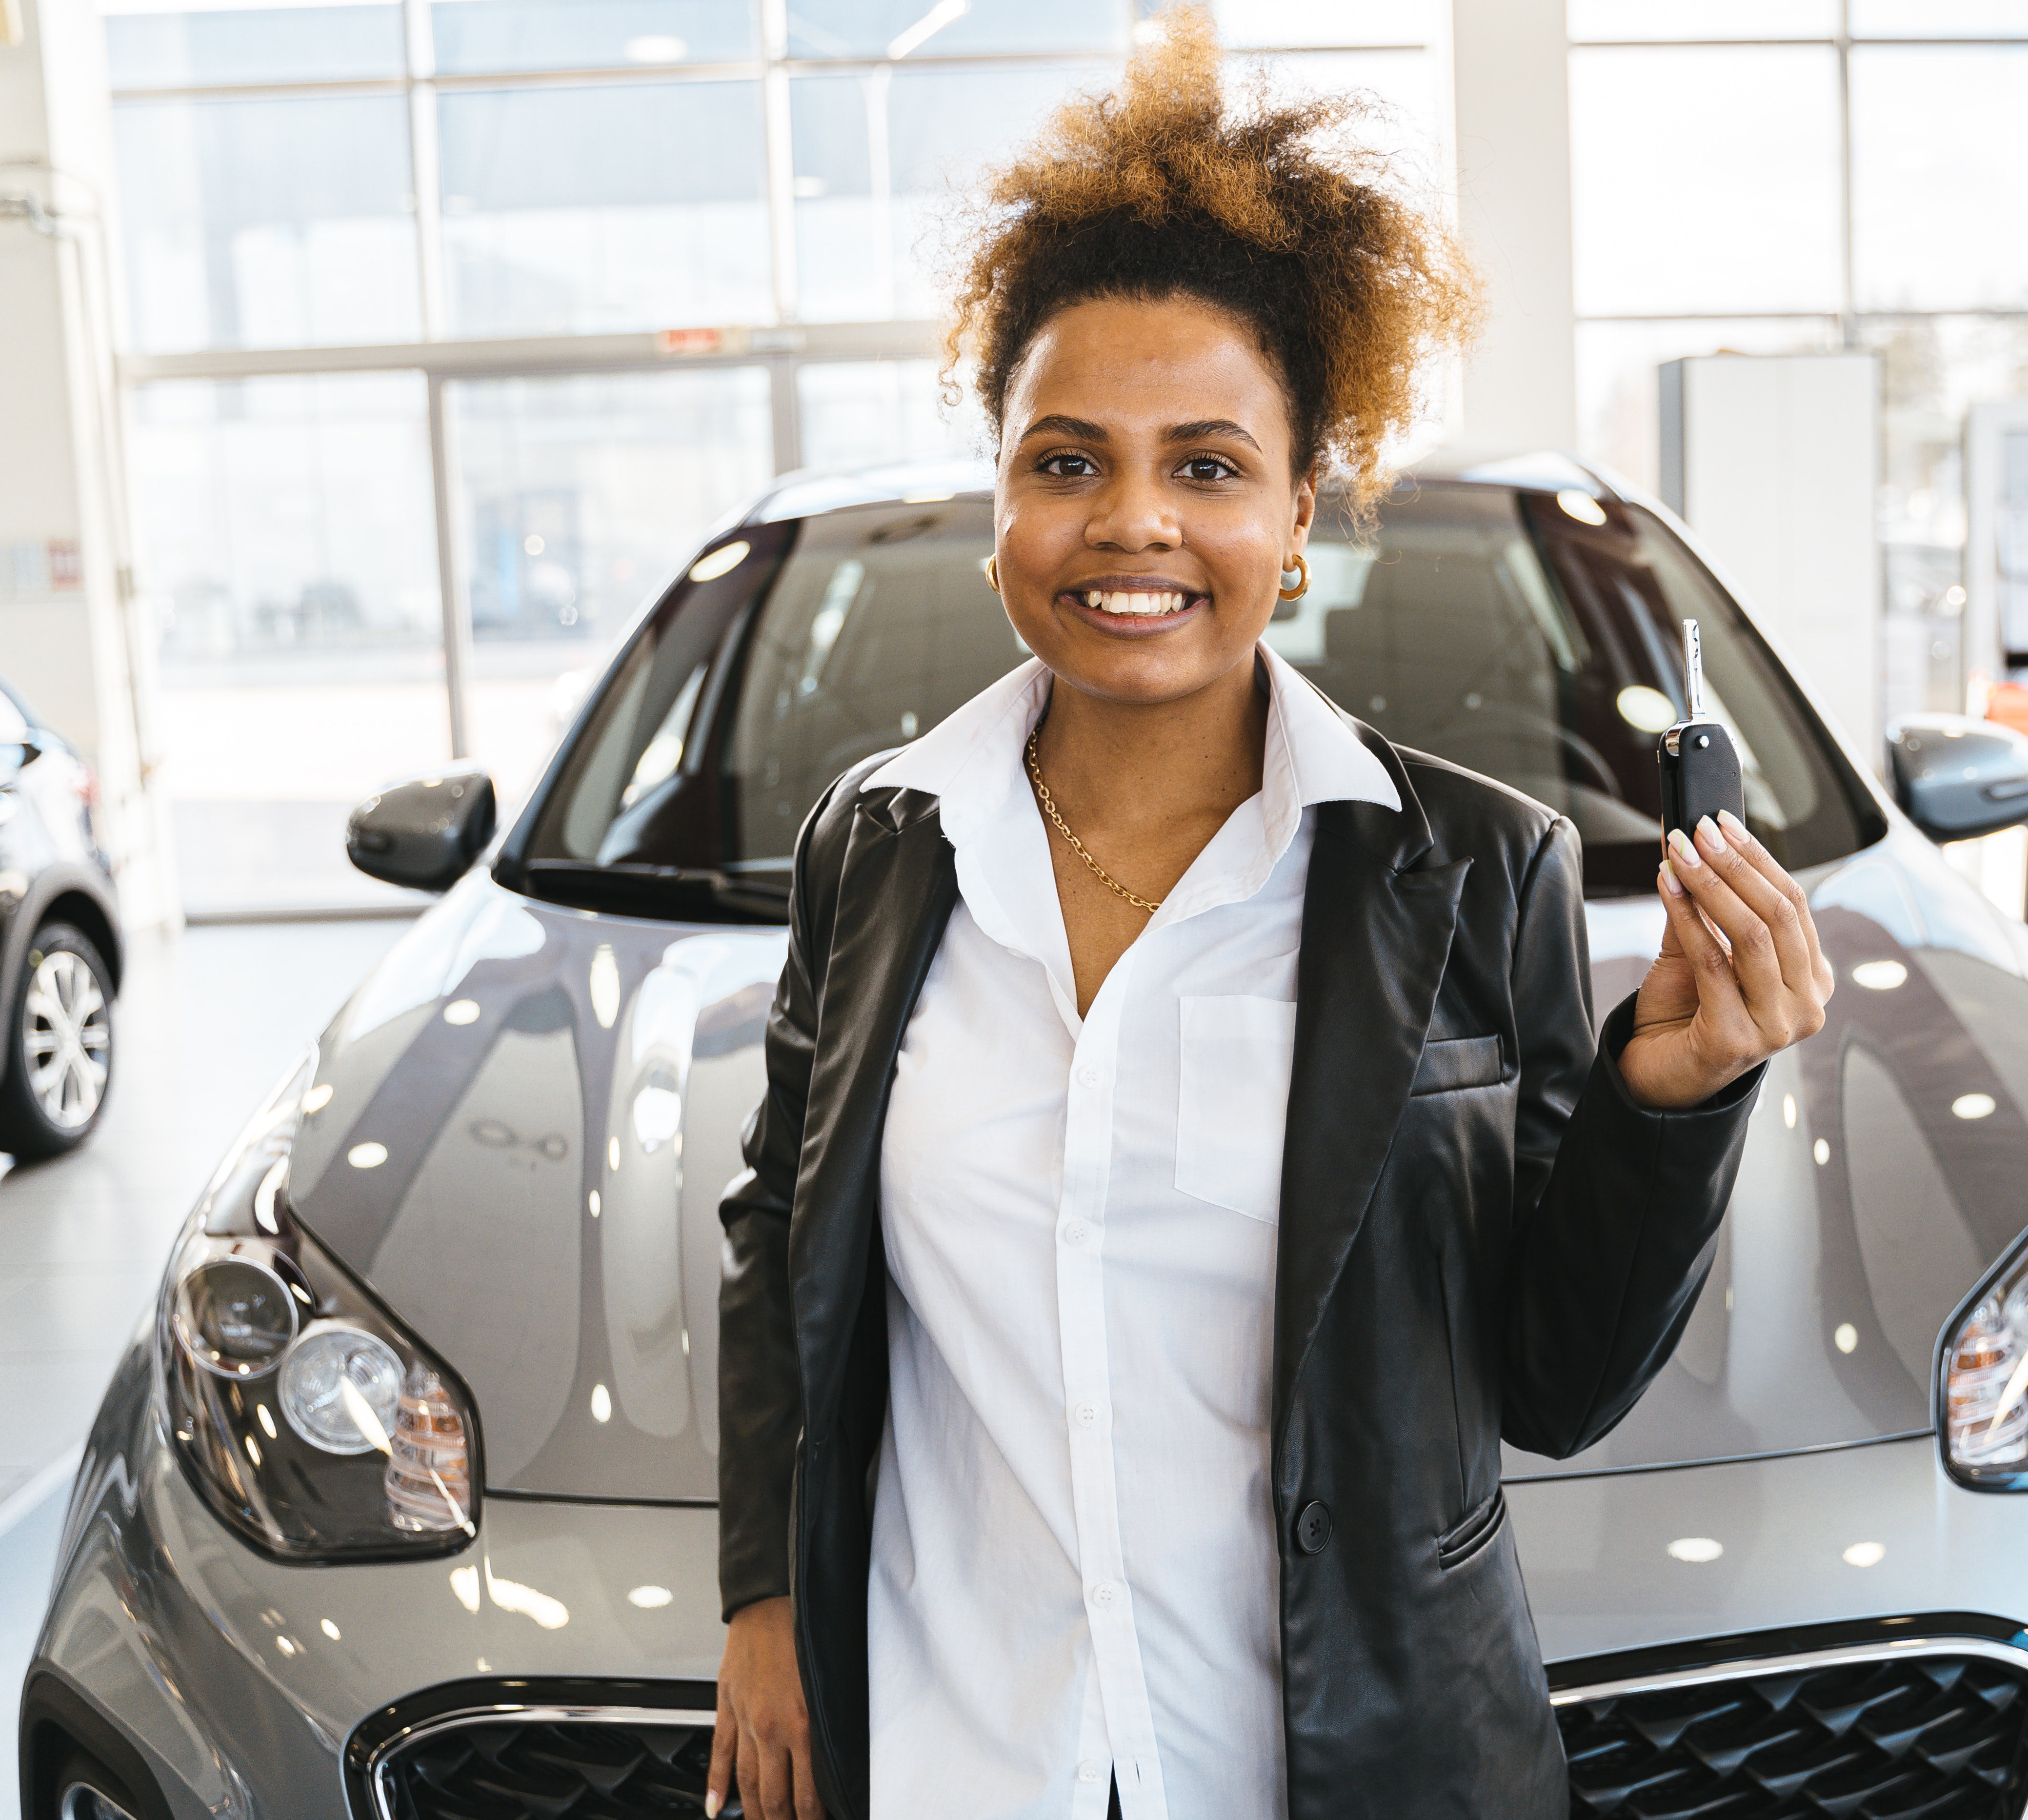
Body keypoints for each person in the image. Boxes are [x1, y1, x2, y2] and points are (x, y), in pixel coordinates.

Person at [703, 14, 1834, 1819]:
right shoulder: (880, 845)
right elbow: (782, 1230)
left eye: (1207, 466)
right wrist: (763, 1592)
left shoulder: (1477, 871)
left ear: (1298, 513)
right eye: (1063, 460)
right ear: (994, 501)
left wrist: (1671, 1093)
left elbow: (1548, 1382)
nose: (1128, 522)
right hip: (957, 1752)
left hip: (1332, 1769)